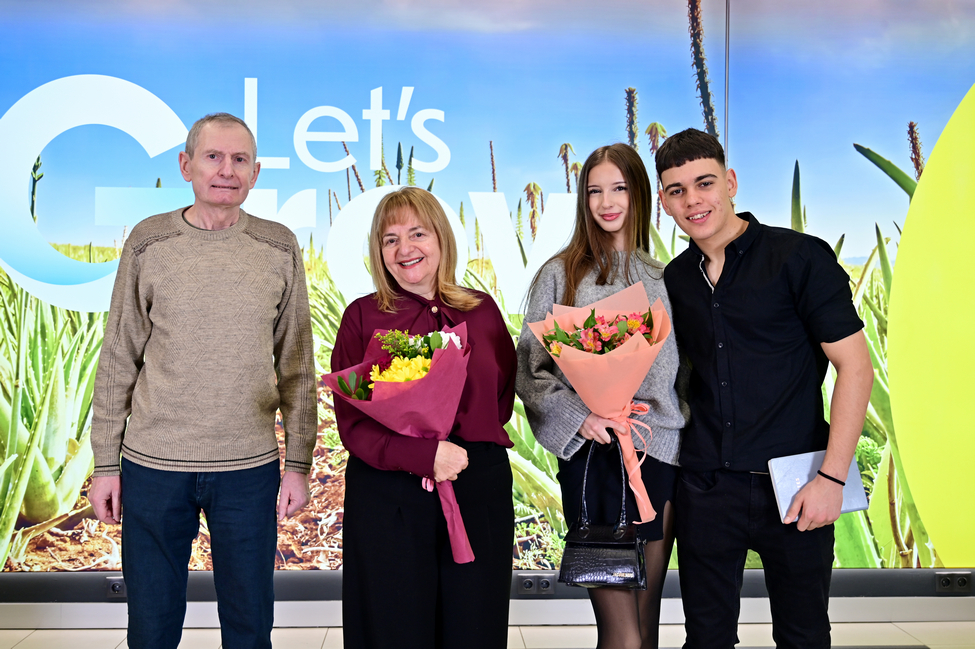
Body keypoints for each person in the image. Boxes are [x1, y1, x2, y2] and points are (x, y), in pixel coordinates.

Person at [88, 113, 316, 649]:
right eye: (213, 156)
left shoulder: (278, 246)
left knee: (249, 624)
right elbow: (119, 357)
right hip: (152, 466)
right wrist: (105, 465)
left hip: (248, 469)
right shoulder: (149, 242)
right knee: (151, 625)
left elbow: (297, 365)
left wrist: (299, 464)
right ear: (186, 165)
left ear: (255, 172)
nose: (226, 170)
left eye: (240, 160)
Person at [656, 128, 874, 649]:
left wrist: (832, 478)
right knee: (705, 639)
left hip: (797, 484)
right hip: (707, 489)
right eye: (677, 190)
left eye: (704, 183)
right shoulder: (675, 279)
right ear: (664, 202)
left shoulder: (799, 257)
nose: (693, 200)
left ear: (730, 183)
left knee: (803, 636)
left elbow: (856, 368)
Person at [516, 143, 690, 649]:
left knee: (646, 626)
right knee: (623, 635)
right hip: (592, 461)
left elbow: (685, 378)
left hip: (658, 459)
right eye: (595, 191)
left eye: (619, 188)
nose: (607, 202)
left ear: (641, 195)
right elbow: (530, 370)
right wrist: (580, 416)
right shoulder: (560, 274)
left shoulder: (667, 278)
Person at [331, 186, 516, 649]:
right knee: (394, 630)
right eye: (390, 239)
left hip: (477, 490)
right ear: (378, 252)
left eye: (417, 233)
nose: (404, 249)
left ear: (441, 239)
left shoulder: (482, 310)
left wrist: (462, 448)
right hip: (389, 498)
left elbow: (502, 394)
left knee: (474, 628)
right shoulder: (361, 317)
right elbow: (352, 422)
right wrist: (422, 454)